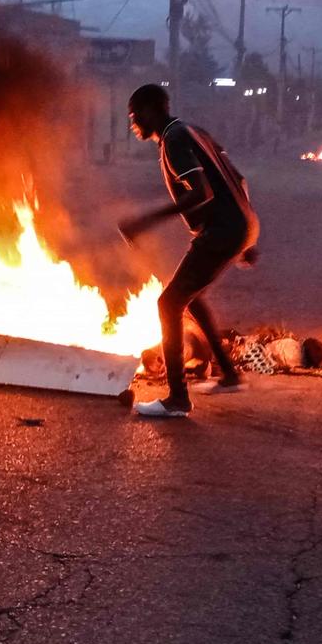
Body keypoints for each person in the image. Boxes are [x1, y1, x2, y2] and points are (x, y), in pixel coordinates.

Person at [117, 84, 260, 418]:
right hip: (238, 225)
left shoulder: (174, 140)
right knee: (190, 297)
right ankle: (229, 374)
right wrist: (247, 232)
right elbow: (239, 180)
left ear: (152, 110)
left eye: (135, 115)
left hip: (223, 230)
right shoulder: (193, 131)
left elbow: (201, 193)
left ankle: (177, 399)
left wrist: (145, 220)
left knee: (168, 303)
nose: (133, 123)